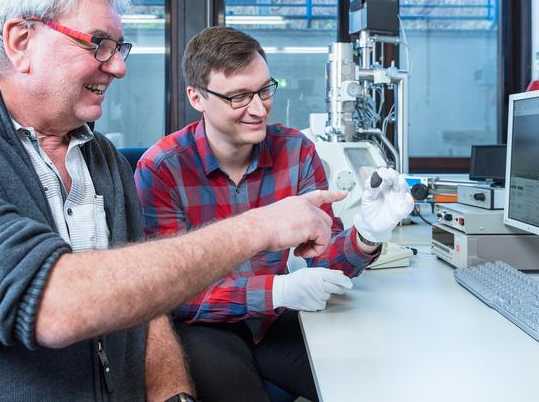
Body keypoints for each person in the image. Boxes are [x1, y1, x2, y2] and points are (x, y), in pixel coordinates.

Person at [0, 0, 342, 401]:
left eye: (120, 48)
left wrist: (174, 395)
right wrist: (260, 226)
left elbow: (148, 310)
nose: (118, 66)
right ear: (20, 42)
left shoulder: (103, 160)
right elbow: (52, 302)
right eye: (98, 43)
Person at [136, 26, 414, 402]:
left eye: (265, 89)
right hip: (203, 326)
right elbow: (169, 292)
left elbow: (323, 262)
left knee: (371, 384)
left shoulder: (296, 152)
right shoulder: (161, 169)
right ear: (197, 97)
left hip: (274, 320)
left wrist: (366, 234)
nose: (258, 108)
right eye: (238, 97)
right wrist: (277, 289)